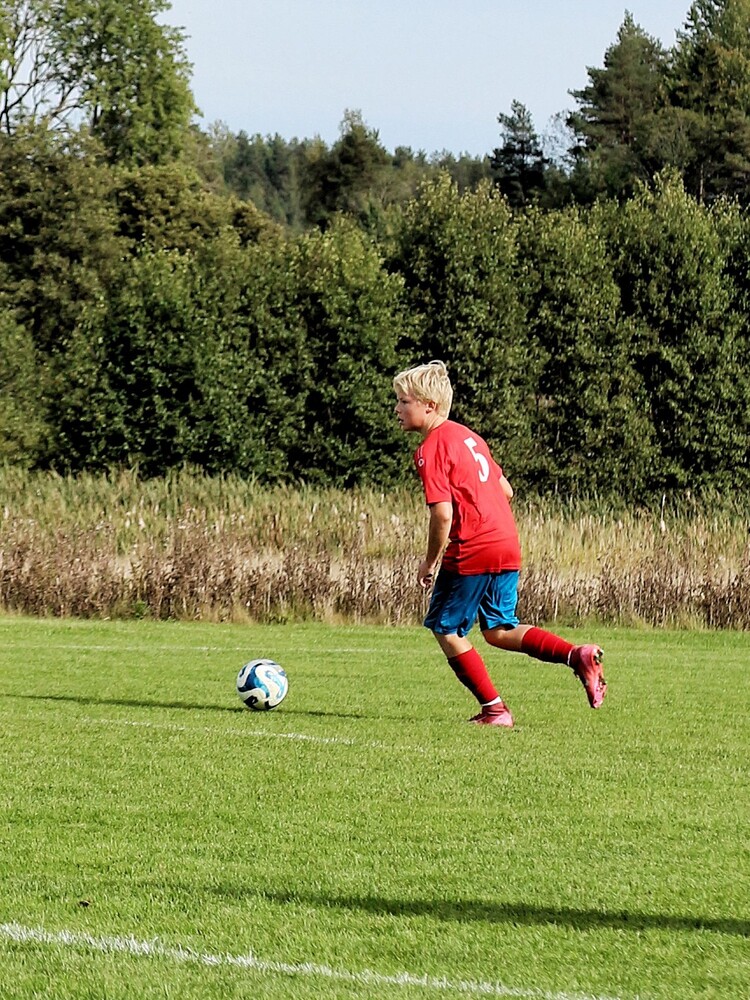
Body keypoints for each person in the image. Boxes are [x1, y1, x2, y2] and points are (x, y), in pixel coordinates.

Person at [393, 359, 607, 728]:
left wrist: (430, 561)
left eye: (403, 401)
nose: (397, 409)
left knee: (446, 628)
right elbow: (505, 490)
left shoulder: (431, 448)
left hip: (473, 546)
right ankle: (577, 655)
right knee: (499, 630)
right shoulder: (471, 438)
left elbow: (442, 514)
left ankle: (495, 710)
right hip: (506, 541)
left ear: (429, 405)